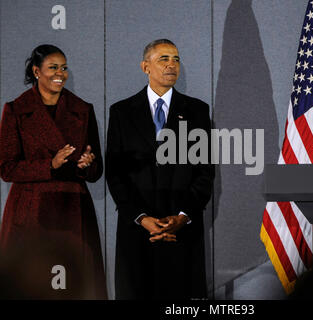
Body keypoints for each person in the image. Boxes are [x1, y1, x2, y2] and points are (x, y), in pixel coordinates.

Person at [106, 39, 214, 300]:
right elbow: (115, 173)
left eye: (176, 59)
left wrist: (181, 217)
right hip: (137, 233)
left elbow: (205, 172)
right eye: (163, 59)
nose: (171, 65)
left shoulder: (197, 111)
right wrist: (142, 218)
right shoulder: (121, 111)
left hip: (181, 234)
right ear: (145, 66)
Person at [0, 44, 107, 299]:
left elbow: (97, 170)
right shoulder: (16, 110)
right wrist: (50, 165)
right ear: (37, 72)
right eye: (53, 68)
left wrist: (87, 164)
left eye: (64, 68)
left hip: (73, 208)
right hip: (30, 212)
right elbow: (7, 168)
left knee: (76, 286)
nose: (61, 73)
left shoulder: (83, 109)